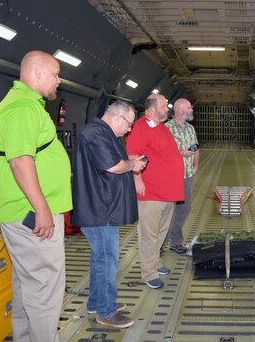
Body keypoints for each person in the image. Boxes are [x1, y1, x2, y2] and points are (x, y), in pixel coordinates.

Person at [0, 50, 71, 341]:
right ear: (36, 72)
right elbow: (20, 161)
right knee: (45, 290)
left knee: (29, 286)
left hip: (26, 212)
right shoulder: (23, 107)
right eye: (55, 73)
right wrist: (43, 209)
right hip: (31, 215)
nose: (58, 80)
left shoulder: (27, 105)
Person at [71, 101, 147, 328]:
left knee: (100, 258)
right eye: (129, 124)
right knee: (107, 260)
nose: (129, 129)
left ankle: (96, 302)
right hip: (99, 210)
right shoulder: (96, 133)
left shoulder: (103, 133)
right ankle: (106, 312)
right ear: (117, 117)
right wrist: (133, 164)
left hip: (102, 209)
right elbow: (112, 166)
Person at [126, 93, 184, 289]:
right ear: (151, 109)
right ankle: (148, 272)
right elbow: (133, 154)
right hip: (151, 191)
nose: (167, 109)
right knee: (148, 234)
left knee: (161, 230)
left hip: (168, 191)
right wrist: (137, 179)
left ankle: (156, 263)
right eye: (164, 106)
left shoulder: (161, 127)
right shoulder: (140, 127)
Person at [165, 98, 200, 254]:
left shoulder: (191, 128)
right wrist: (182, 153)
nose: (191, 110)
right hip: (171, 176)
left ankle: (176, 242)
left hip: (187, 175)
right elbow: (162, 153)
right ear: (179, 110)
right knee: (166, 211)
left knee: (184, 208)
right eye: (189, 107)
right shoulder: (166, 128)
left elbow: (196, 148)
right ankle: (160, 244)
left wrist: (196, 164)